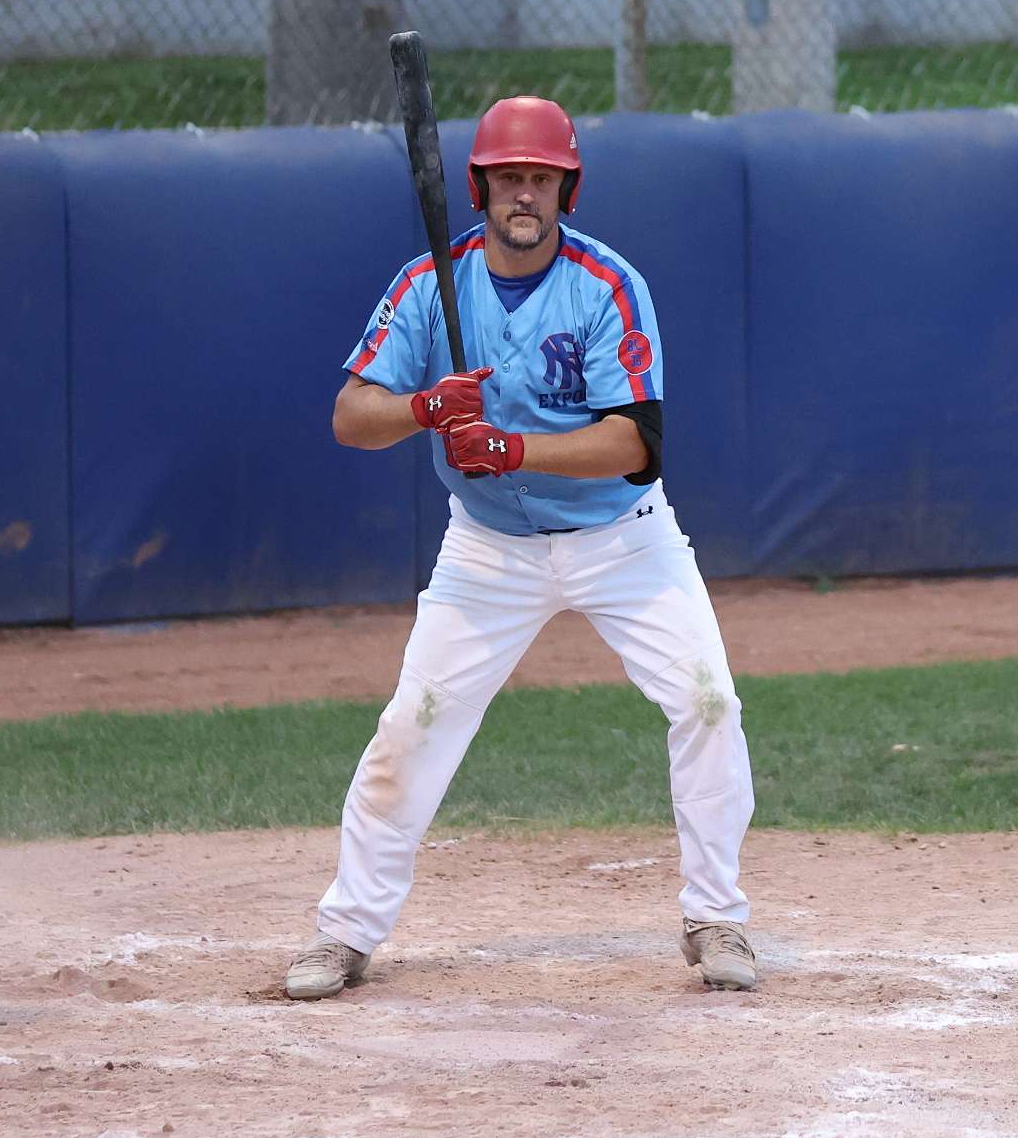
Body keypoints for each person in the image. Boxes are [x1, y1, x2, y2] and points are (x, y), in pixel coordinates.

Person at [283, 96, 757, 1001]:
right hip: (489, 550)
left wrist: (508, 447)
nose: (525, 194)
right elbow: (351, 416)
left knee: (708, 702)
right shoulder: (428, 285)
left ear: (566, 189)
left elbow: (635, 444)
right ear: (481, 189)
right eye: (509, 179)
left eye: (542, 178)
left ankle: (716, 918)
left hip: (623, 540)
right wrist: (427, 407)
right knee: (413, 725)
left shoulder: (608, 285)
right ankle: (345, 933)